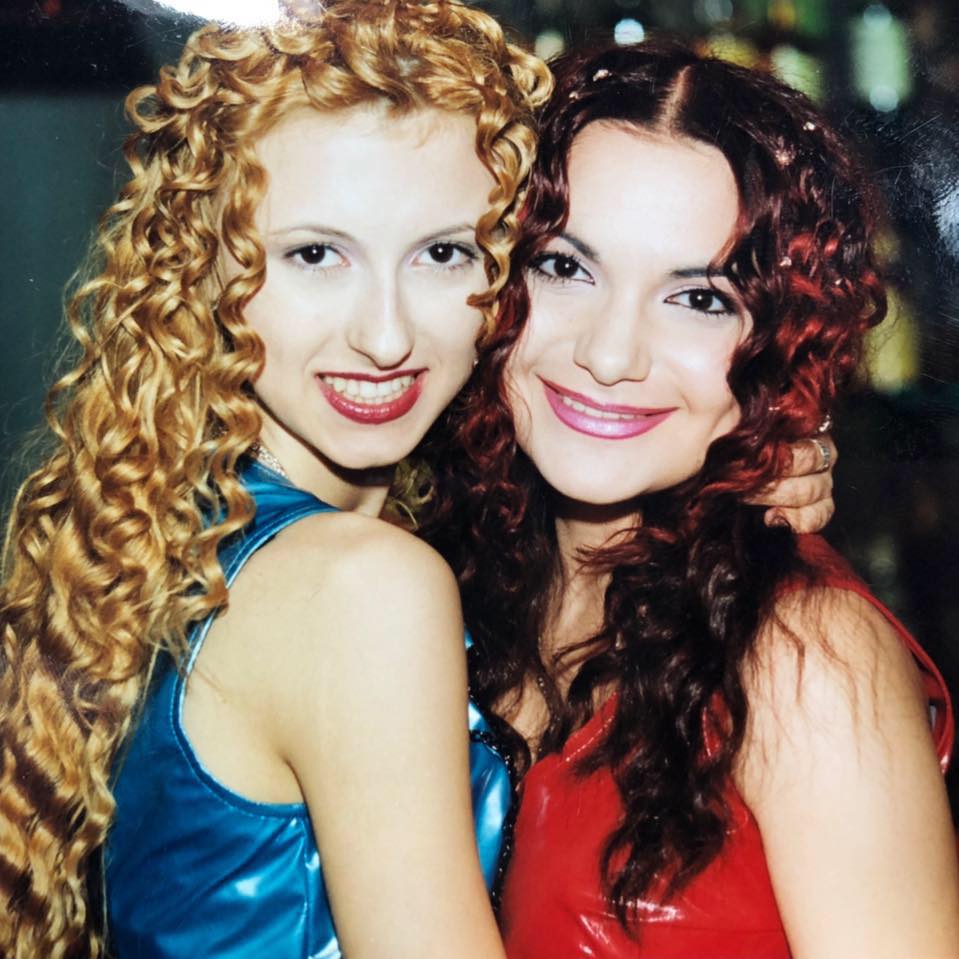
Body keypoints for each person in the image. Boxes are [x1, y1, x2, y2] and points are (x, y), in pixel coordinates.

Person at [0, 5, 837, 957]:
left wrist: (753, 446)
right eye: (315, 254)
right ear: (205, 265)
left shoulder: (172, 525)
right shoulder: (362, 587)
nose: (386, 336)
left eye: (443, 253)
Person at [429, 40, 959, 958]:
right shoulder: (441, 580)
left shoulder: (802, 656)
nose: (609, 354)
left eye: (699, 300)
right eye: (565, 267)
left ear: (777, 344)